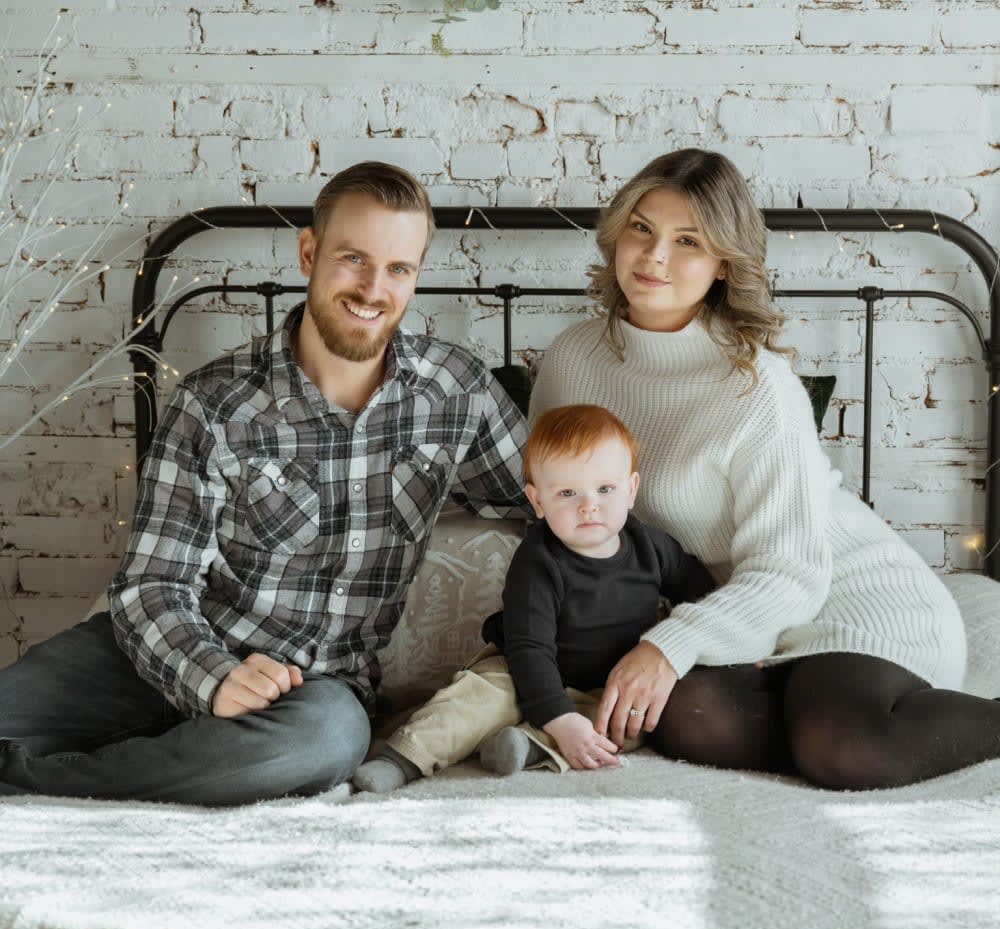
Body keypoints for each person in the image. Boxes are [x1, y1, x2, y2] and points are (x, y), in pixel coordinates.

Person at [0, 161, 530, 805]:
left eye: (398, 269)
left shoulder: (456, 393)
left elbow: (554, 503)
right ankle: (170, 756)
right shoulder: (215, 402)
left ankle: (38, 780)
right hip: (156, 655)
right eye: (352, 258)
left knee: (327, 742)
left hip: (309, 694)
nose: (373, 288)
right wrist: (214, 676)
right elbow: (152, 584)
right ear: (309, 252)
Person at [528, 147, 1000, 790]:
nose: (654, 256)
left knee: (843, 748)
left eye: (688, 240)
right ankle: (812, 715)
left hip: (850, 602)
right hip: (741, 622)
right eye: (642, 228)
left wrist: (669, 643)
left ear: (724, 263)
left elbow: (794, 571)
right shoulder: (572, 359)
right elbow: (558, 505)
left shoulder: (757, 386)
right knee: (685, 718)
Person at [352, 403, 715, 793]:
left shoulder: (652, 546)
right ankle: (403, 758)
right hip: (521, 667)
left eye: (605, 489)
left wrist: (720, 638)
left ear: (631, 490)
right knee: (476, 701)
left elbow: (699, 590)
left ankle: (527, 747)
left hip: (607, 681)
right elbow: (530, 648)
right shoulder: (539, 561)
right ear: (539, 501)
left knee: (629, 719)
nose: (588, 505)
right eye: (567, 493)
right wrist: (556, 714)